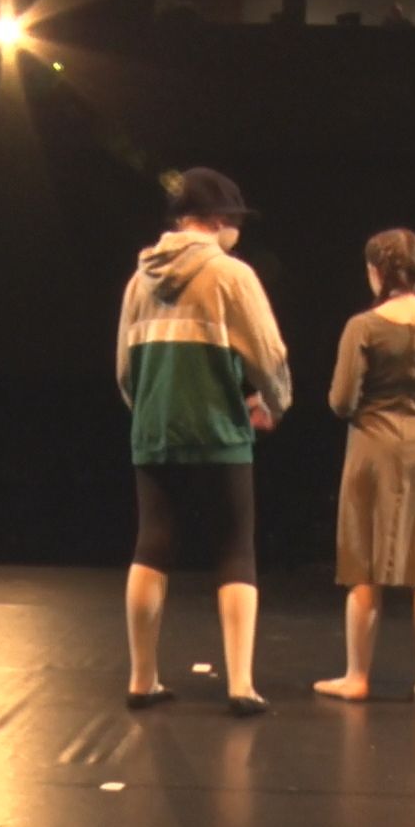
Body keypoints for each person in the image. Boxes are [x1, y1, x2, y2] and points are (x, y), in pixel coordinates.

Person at [116, 167, 292, 717]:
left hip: (155, 428)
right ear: (220, 220)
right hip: (218, 429)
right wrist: (274, 403)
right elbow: (268, 354)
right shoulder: (231, 275)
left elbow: (124, 369)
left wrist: (148, 412)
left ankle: (142, 679)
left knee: (152, 544)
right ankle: (240, 684)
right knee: (235, 548)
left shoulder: (139, 279)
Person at [314, 229, 415, 704]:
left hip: (371, 449)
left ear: (377, 272)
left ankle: (357, 677)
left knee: (363, 567)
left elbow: (342, 401)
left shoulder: (362, 327)